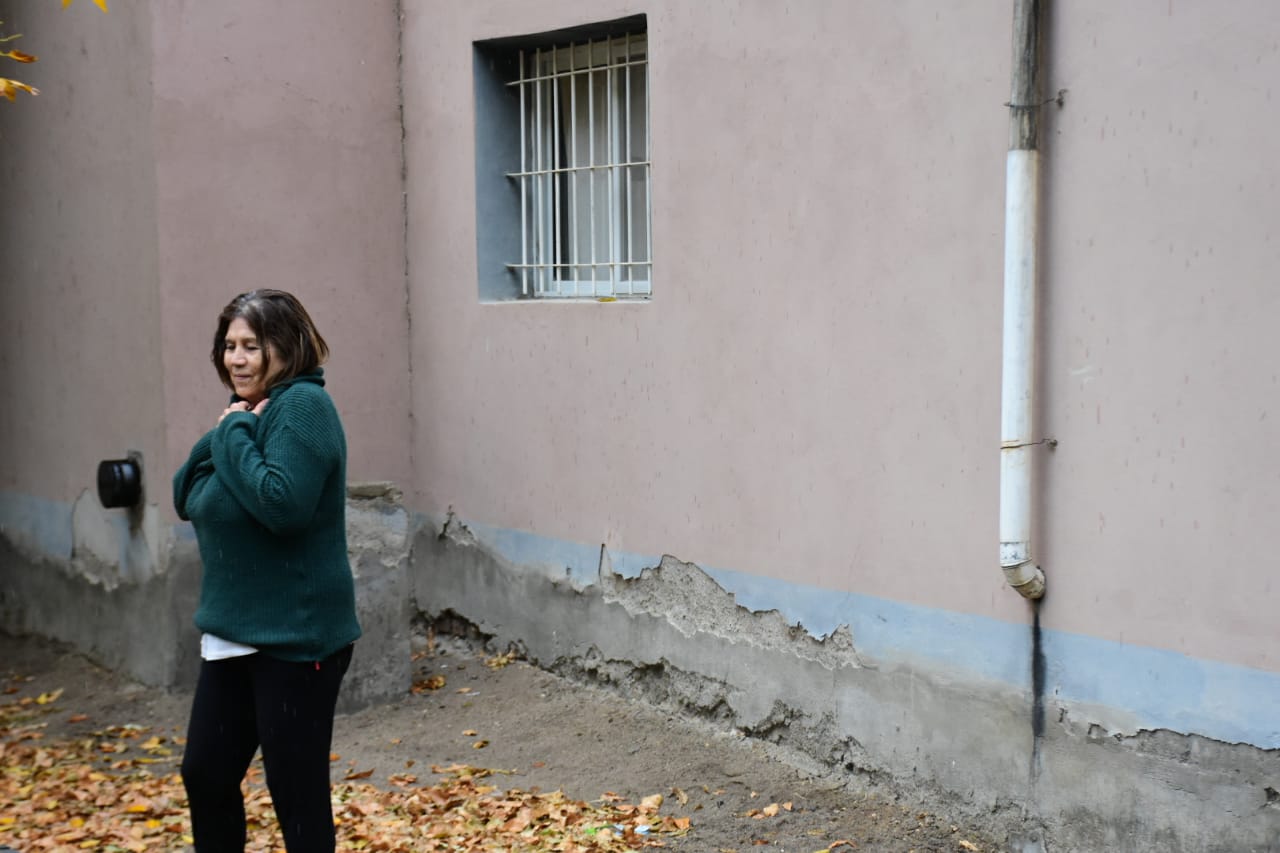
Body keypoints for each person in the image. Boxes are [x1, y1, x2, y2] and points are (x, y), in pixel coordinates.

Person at [173, 289, 361, 852]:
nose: (236, 359)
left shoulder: (302, 407)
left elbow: (281, 506)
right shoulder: (251, 415)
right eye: (229, 346)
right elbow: (187, 492)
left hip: (296, 638)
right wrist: (231, 431)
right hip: (233, 633)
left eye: (252, 346)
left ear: (287, 346)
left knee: (296, 796)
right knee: (205, 774)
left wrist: (231, 432)